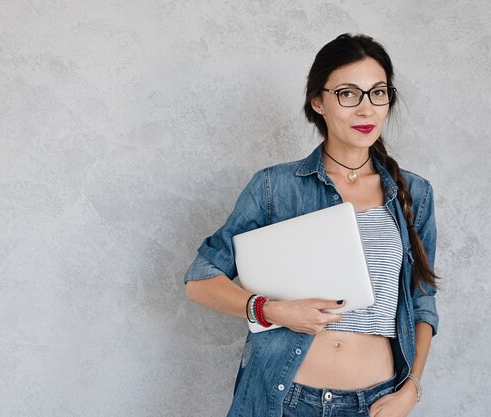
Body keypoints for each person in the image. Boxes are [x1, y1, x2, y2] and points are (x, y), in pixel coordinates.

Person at [183, 33, 439, 417]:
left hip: (376, 403)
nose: (366, 109)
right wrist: (271, 311)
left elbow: (422, 303)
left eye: (378, 92)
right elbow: (200, 281)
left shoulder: (414, 193)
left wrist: (412, 389)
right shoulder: (274, 186)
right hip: (284, 399)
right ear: (318, 101)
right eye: (348, 94)